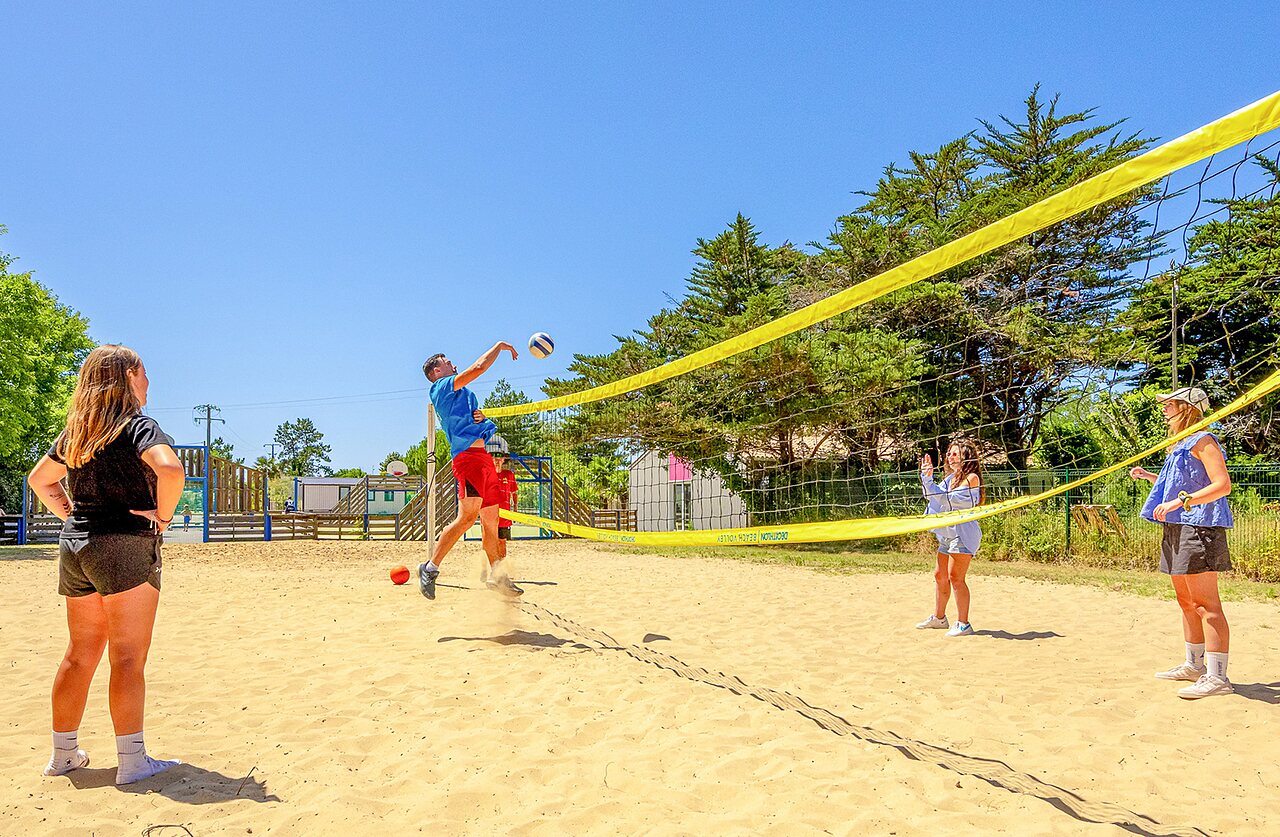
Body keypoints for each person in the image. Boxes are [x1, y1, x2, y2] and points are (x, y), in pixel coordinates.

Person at [26, 344, 185, 784]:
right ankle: (132, 762)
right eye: (144, 372)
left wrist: (73, 516)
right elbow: (171, 470)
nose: (149, 381)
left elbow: (40, 479)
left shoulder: (80, 431)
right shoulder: (137, 426)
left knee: (80, 654)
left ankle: (63, 756)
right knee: (128, 656)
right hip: (125, 546)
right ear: (130, 376)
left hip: (76, 547)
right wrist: (163, 516)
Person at [1129, 386, 1234, 699]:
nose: (1164, 409)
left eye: (1170, 404)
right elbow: (1181, 484)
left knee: (1206, 605)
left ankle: (1218, 678)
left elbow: (1222, 485)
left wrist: (1180, 501)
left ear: (1187, 408)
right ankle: (1194, 665)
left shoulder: (1203, 440)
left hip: (1200, 526)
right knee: (1186, 602)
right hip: (1177, 525)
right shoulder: (1179, 445)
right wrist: (1150, 477)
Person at [419, 343, 521, 599]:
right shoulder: (441, 387)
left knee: (491, 522)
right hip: (467, 460)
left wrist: (484, 419)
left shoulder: (466, 394)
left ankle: (498, 575)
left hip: (484, 458)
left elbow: (484, 427)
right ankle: (429, 568)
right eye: (447, 362)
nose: (453, 364)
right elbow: (479, 367)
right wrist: (500, 346)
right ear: (436, 371)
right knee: (466, 518)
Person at [916, 438, 984, 637]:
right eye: (949, 453)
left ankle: (963, 623)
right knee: (940, 576)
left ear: (966, 457)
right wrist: (926, 476)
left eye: (955, 454)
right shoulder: (951, 477)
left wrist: (930, 483)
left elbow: (949, 500)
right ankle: (939, 618)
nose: (950, 457)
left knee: (956, 578)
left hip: (962, 534)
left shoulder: (971, 478)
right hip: (947, 533)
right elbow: (932, 496)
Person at [480, 440, 521, 591]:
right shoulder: (485, 475)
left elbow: (514, 493)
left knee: (502, 542)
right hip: (488, 515)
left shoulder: (509, 475)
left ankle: (500, 572)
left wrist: (515, 508)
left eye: (499, 458)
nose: (497, 461)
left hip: (504, 515)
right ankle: (486, 569)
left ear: (504, 460)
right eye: (494, 458)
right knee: (487, 542)